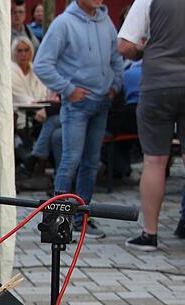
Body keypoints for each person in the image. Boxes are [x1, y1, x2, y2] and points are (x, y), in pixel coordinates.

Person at [34, 0, 123, 239]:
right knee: (70, 160)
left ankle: (81, 219)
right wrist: (68, 89)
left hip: (101, 103)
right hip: (77, 105)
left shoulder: (106, 23)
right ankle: (57, 222)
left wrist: (114, 86)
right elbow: (41, 64)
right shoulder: (63, 23)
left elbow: (116, 58)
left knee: (91, 163)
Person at [120, 0, 185, 251]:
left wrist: (141, 49)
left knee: (154, 161)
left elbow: (124, 45)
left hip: (159, 83)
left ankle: (150, 233)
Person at [11, 36, 61, 190]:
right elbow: (23, 99)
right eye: (19, 51)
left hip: (40, 116)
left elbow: (46, 93)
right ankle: (37, 165)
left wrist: (45, 103)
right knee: (53, 121)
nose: (23, 54)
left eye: (26, 50)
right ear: (14, 53)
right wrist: (45, 104)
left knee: (54, 130)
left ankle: (34, 160)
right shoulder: (10, 71)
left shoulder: (36, 70)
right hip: (22, 117)